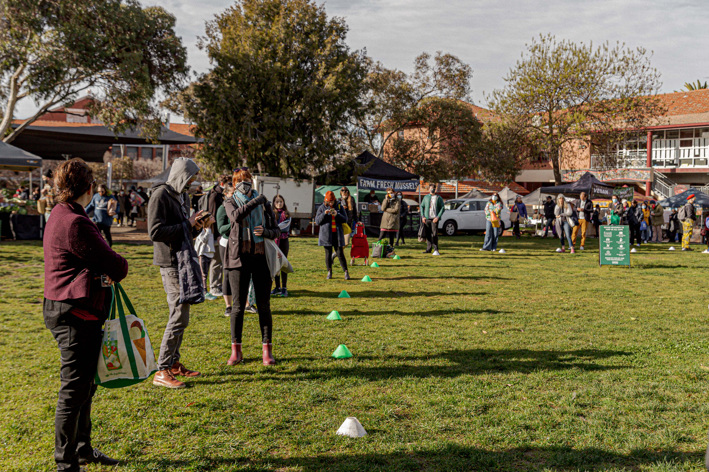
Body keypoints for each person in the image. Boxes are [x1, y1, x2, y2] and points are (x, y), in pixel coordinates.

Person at [43, 158, 129, 471]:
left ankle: (82, 449)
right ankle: (66, 462)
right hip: (75, 314)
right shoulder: (76, 221)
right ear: (88, 188)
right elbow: (117, 265)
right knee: (74, 390)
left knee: (84, 387)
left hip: (69, 307)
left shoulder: (60, 213)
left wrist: (95, 275)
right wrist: (104, 273)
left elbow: (81, 262)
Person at [148, 157, 209, 389]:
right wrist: (188, 224)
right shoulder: (160, 195)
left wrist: (196, 225)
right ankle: (161, 370)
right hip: (170, 262)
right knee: (178, 315)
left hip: (183, 259)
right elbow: (155, 232)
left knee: (183, 316)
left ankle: (173, 364)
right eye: (191, 177)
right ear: (181, 175)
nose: (193, 182)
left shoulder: (181, 196)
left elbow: (183, 232)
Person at [223, 168, 280, 366]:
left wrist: (266, 231)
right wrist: (256, 201)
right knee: (238, 306)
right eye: (239, 181)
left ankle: (267, 350)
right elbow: (236, 217)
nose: (244, 184)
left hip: (261, 257)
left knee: (264, 305)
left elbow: (277, 231)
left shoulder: (265, 204)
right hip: (238, 259)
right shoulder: (230, 201)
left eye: (247, 180)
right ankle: (236, 351)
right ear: (234, 184)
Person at [204, 175, 229, 300]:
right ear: (222, 183)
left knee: (219, 261)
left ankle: (218, 286)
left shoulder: (218, 194)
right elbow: (213, 217)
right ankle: (214, 287)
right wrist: (217, 235)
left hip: (218, 234)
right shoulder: (215, 195)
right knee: (216, 261)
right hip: (216, 234)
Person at [315, 190, 350, 279]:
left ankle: (346, 272)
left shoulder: (339, 206)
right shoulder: (321, 208)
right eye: (328, 201)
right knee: (328, 254)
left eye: (332, 201)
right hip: (326, 235)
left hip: (337, 235)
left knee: (340, 253)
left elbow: (345, 219)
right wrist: (324, 214)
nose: (330, 203)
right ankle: (329, 271)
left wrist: (337, 214)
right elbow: (317, 221)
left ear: (334, 200)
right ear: (325, 201)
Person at [216, 183, 235, 317]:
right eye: (232, 193)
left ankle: (246, 303)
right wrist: (234, 223)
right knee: (227, 274)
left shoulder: (239, 207)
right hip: (226, 244)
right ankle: (228, 306)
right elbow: (221, 229)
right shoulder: (222, 209)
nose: (234, 196)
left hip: (239, 243)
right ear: (226, 194)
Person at [271, 194, 291, 297]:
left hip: (283, 241)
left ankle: (284, 287)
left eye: (281, 201)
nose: (279, 203)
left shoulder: (286, 214)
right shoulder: (271, 214)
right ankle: (277, 286)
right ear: (274, 203)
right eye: (277, 202)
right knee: (275, 264)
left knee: (283, 263)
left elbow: (285, 227)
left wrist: (274, 229)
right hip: (274, 241)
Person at [420, 184, 444, 255]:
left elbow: (442, 207)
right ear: (429, 189)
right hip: (427, 218)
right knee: (428, 234)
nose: (432, 189)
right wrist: (422, 216)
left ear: (435, 189)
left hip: (434, 219)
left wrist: (438, 217)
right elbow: (421, 206)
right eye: (431, 188)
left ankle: (436, 249)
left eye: (433, 188)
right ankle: (428, 249)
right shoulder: (426, 197)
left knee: (434, 234)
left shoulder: (438, 198)